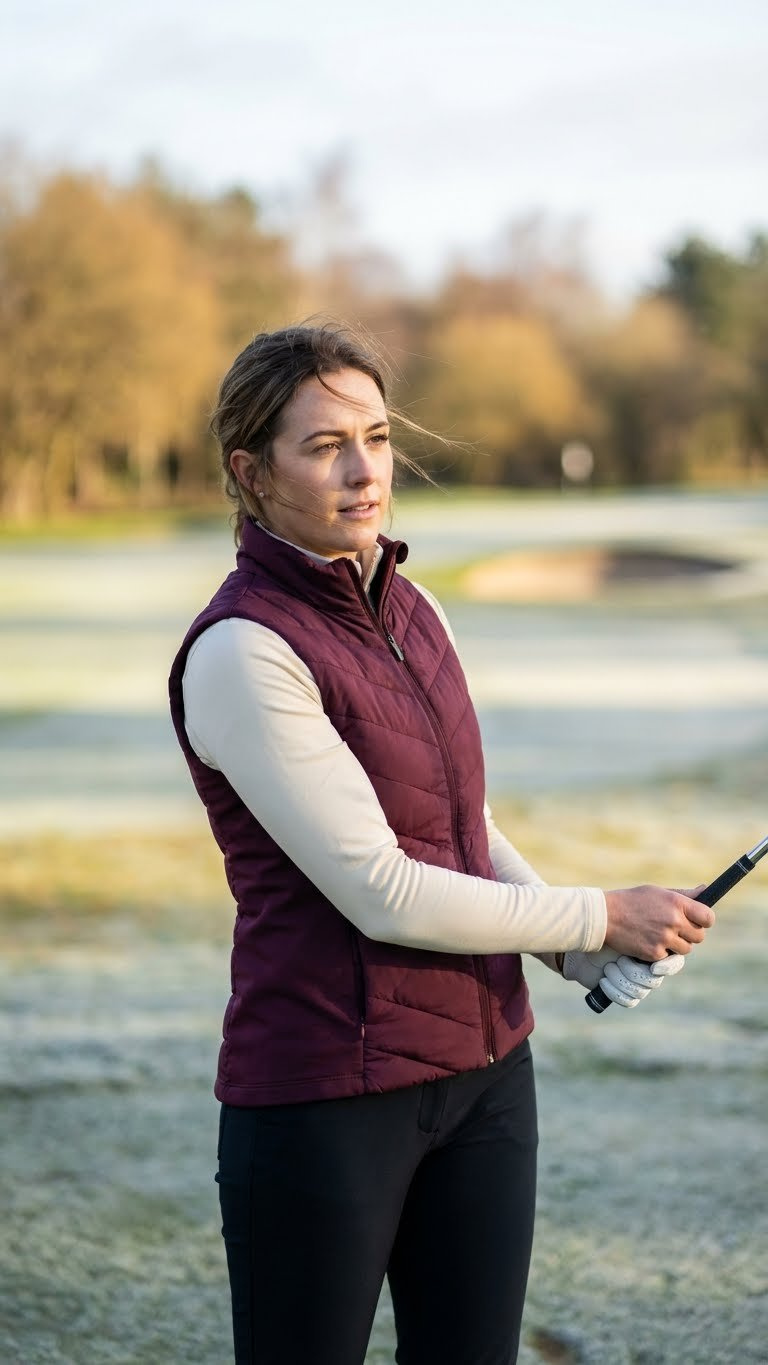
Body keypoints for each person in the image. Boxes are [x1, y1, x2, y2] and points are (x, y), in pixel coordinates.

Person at [168, 323, 714, 1365]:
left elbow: (466, 829)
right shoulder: (243, 649)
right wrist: (602, 909)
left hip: (488, 1073)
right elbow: (381, 889)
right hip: (328, 1092)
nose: (365, 468)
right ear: (251, 471)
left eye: (375, 435)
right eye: (324, 444)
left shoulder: (412, 608)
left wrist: (571, 950)